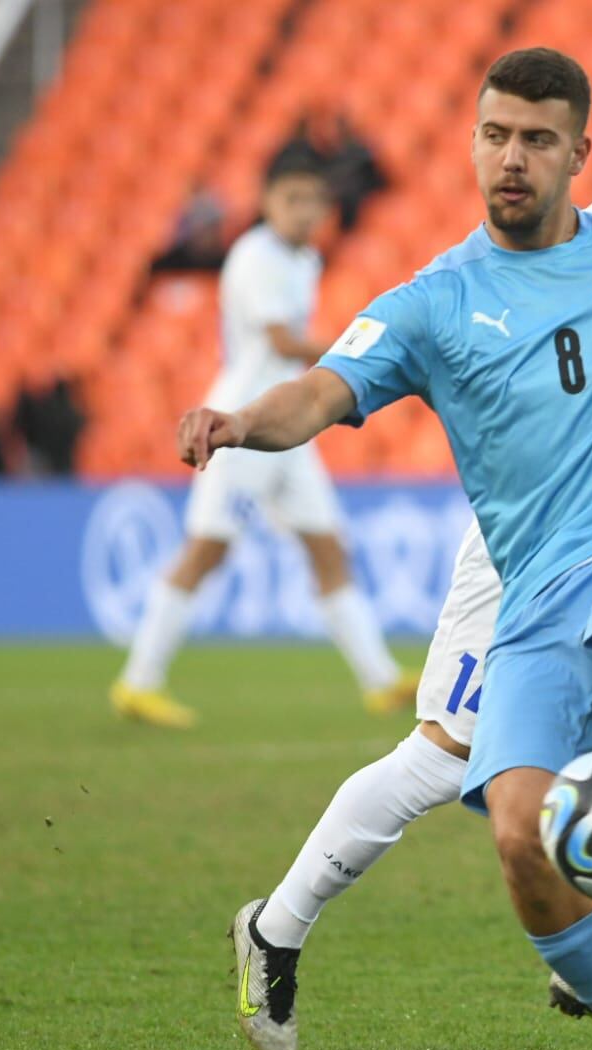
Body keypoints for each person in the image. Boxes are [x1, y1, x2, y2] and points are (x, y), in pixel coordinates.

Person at [191, 46, 592, 1050]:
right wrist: (246, 421)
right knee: (438, 763)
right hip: (529, 547)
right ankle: (277, 923)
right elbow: (336, 382)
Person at [111, 144, 414, 729]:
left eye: (313, 201)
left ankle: (379, 680)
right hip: (242, 422)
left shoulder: (304, 260)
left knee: (327, 546)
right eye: (291, 199)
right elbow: (278, 341)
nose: (304, 211)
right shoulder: (255, 256)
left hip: (290, 425)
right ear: (266, 202)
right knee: (208, 550)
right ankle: (137, 682)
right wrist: (349, 351)